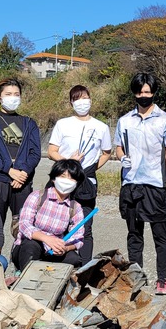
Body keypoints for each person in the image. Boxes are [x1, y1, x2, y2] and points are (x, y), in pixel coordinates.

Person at [114, 73, 166, 294]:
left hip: (155, 185)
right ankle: (136, 277)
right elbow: (118, 147)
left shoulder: (165, 120)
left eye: (148, 92)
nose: (144, 96)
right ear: (135, 93)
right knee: (134, 234)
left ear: (154, 93)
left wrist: (155, 167)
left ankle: (162, 279)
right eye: (140, 92)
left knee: (160, 235)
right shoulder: (124, 121)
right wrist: (122, 157)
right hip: (131, 184)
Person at [48, 85, 112, 260]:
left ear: (90, 100)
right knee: (58, 222)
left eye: (85, 98)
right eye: (77, 99)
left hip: (86, 182)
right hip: (64, 177)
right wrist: (69, 162)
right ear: (71, 102)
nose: (82, 102)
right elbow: (52, 151)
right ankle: (58, 260)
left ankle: (84, 267)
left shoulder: (101, 127)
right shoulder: (63, 124)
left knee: (85, 226)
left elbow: (107, 152)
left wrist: (91, 168)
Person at [0, 78, 41, 225]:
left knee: (24, 226)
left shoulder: (29, 123)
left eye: (16, 94)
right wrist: (10, 171)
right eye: (8, 94)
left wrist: (23, 173)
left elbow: (35, 152)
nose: (13, 97)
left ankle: (21, 249)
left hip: (23, 182)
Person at [11, 160, 87, 270]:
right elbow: (24, 225)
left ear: (77, 183)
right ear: (53, 178)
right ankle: (25, 281)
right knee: (31, 246)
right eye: (63, 176)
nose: (67, 181)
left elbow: (78, 238)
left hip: (55, 250)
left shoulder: (76, 208)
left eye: (71, 178)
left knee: (74, 260)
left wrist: (65, 248)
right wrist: (47, 239)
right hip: (31, 245)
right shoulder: (37, 196)